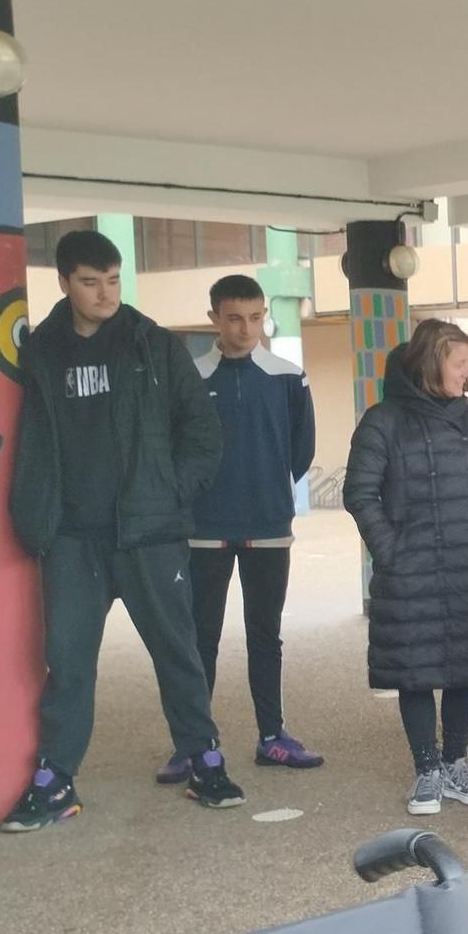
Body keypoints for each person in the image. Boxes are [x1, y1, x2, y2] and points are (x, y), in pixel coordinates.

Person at [2, 229, 243, 830]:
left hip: (149, 530)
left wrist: (168, 490)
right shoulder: (42, 351)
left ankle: (202, 758)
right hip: (72, 537)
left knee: (176, 651)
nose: (105, 293)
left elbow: (203, 431)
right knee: (68, 661)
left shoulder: (151, 344)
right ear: (64, 283)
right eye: (91, 282)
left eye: (113, 281)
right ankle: (55, 779)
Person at [154, 274, 322, 785]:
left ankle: (272, 737)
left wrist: (266, 490)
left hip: (268, 526)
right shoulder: (188, 376)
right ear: (213, 319)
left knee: (264, 636)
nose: (246, 328)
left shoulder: (289, 376)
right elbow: (172, 446)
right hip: (202, 528)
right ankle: (193, 744)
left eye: (255, 317)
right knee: (198, 637)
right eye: (234, 317)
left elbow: (302, 451)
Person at [346, 319, 468, 816]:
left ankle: (456, 762)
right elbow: (360, 492)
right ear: (430, 361)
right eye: (459, 363)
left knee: (466, 667)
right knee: (414, 669)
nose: (467, 374)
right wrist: (391, 550)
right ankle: (426, 770)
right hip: (411, 567)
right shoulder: (383, 421)